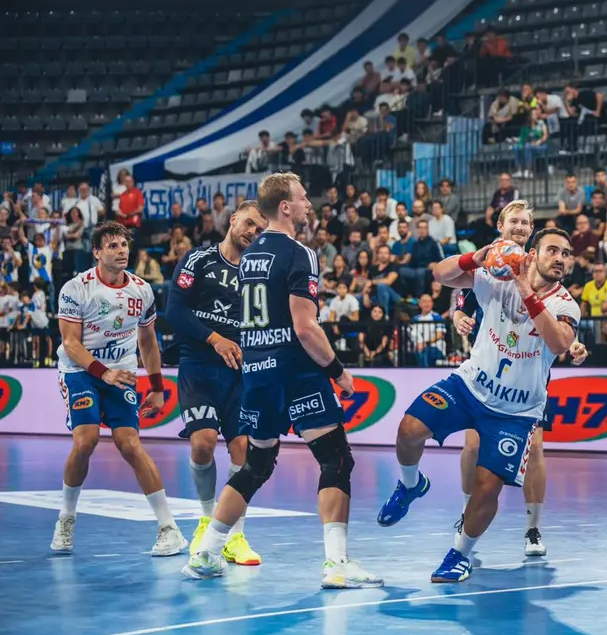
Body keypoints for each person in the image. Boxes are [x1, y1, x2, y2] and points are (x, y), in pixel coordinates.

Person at [182, 173, 382, 589]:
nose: (309, 204)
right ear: (285, 206)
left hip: (256, 372)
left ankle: (206, 553)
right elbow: (305, 327)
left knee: (256, 464)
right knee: (336, 459)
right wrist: (338, 372)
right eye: (303, 198)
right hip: (295, 370)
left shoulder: (249, 255)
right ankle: (336, 564)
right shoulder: (300, 253)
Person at [376, 218, 581, 583]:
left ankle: (460, 555)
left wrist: (527, 292)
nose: (561, 259)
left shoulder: (566, 304)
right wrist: (475, 258)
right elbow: (440, 275)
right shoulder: (498, 278)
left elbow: (559, 342)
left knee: (488, 486)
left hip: (516, 412)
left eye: (566, 254)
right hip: (470, 387)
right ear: (533, 254)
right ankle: (410, 484)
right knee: (409, 429)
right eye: (553, 250)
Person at [450, 201, 587, 557]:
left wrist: (572, 344)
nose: (521, 227)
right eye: (515, 221)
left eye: (527, 223)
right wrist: (458, 317)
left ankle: (533, 528)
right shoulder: (491, 261)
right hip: (488, 373)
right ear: (501, 225)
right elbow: (463, 298)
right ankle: (466, 514)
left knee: (536, 448)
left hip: (528, 380)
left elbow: (558, 320)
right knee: (472, 447)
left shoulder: (541, 263)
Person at [52, 221, 186, 555]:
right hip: (80, 371)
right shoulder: (76, 288)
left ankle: (169, 529)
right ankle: (66, 519)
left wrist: (157, 386)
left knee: (130, 444)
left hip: (122, 373)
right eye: (112, 245)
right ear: (97, 252)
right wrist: (104, 373)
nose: (121, 250)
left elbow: (148, 341)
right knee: (86, 440)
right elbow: (70, 343)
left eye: (124, 245)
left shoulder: (142, 290)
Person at [165, 200, 267, 567]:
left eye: (260, 230)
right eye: (249, 223)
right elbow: (174, 311)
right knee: (203, 443)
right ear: (234, 218)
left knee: (242, 448)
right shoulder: (199, 260)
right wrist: (215, 339)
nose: (253, 232)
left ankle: (235, 535)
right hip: (199, 365)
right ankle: (207, 521)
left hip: (241, 371)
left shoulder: (260, 274)